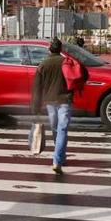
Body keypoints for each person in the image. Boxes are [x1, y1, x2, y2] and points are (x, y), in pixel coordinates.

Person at [31, 38, 71, 175]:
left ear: (49, 49)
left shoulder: (43, 65)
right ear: (61, 49)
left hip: (50, 102)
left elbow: (37, 88)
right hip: (64, 100)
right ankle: (59, 159)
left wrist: (36, 107)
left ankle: (58, 158)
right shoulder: (66, 62)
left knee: (56, 129)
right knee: (62, 129)